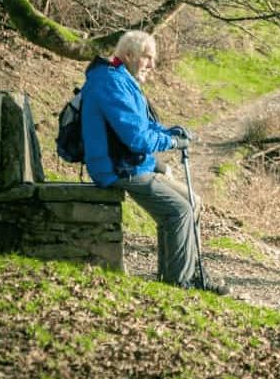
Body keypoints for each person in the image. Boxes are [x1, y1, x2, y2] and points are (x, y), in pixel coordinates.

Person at [80, 30, 229, 295]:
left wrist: (169, 132)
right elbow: (137, 138)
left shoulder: (121, 79)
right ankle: (177, 282)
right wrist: (171, 143)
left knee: (193, 202)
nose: (152, 65)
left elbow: (143, 125)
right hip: (116, 167)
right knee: (178, 211)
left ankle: (187, 273)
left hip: (132, 163)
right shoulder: (111, 83)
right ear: (129, 55)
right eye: (147, 57)